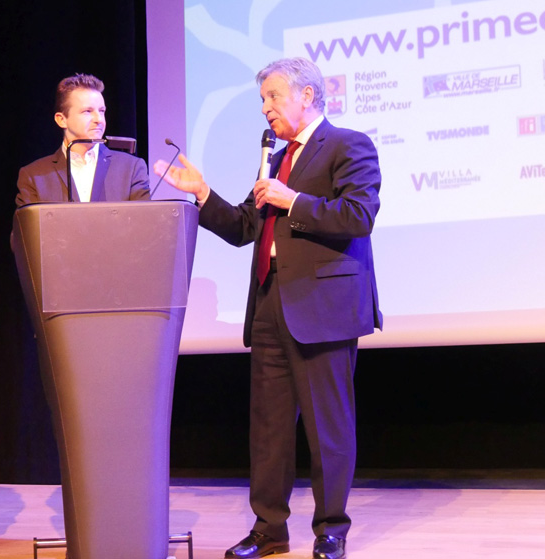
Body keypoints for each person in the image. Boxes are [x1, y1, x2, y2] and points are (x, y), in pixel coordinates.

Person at [154, 57, 382, 559]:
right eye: (263, 99)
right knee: (270, 427)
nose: (265, 108)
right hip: (270, 302)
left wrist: (292, 199)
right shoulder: (276, 160)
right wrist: (201, 193)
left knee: (328, 428)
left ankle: (331, 529)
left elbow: (358, 215)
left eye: (274, 96)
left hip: (323, 308)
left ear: (307, 95)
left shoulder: (348, 145)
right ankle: (269, 529)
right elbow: (245, 227)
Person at [15, 73, 150, 206]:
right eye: (87, 111)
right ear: (61, 120)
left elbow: (144, 219)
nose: (99, 119)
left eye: (101, 111)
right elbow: (28, 221)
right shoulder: (34, 176)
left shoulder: (131, 168)